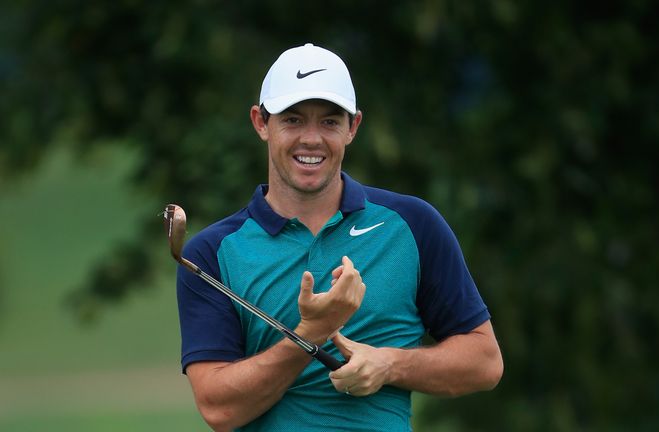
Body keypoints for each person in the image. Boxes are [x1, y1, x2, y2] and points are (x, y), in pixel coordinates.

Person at [176, 43, 503, 432]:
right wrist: (310, 333)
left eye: (330, 122)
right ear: (261, 123)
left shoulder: (413, 224)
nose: (311, 139)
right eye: (293, 120)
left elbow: (484, 362)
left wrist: (389, 364)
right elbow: (219, 409)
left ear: (353, 127)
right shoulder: (213, 252)